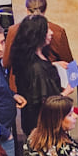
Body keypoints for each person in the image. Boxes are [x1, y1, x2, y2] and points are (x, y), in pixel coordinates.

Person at [8, 13, 64, 142]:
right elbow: (47, 102)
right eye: (47, 30)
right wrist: (67, 91)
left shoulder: (27, 58)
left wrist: (53, 65)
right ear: (38, 35)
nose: (51, 33)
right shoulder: (36, 68)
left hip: (31, 121)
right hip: (42, 127)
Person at [24, 0, 73, 66]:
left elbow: (8, 63)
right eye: (47, 31)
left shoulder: (14, 31)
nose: (51, 33)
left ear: (27, 10)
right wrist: (52, 65)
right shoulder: (57, 31)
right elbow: (68, 63)